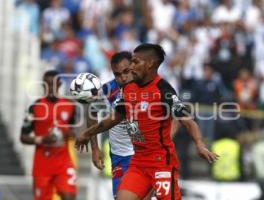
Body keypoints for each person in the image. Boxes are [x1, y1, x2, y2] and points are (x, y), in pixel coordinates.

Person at [76, 43, 219, 200]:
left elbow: (187, 121)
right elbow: (114, 118)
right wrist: (87, 134)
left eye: (136, 62)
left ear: (150, 64)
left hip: (161, 162)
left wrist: (199, 144)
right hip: (138, 162)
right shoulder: (128, 89)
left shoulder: (164, 91)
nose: (132, 67)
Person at [20, 70, 77, 200]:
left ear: (60, 84)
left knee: (69, 197)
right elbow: (23, 137)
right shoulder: (34, 107)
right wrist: (42, 139)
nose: (50, 88)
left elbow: (73, 130)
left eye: (53, 85)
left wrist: (70, 133)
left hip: (63, 162)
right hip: (42, 165)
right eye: (47, 85)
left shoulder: (70, 105)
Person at [87, 51, 135, 199]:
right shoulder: (108, 90)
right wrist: (95, 148)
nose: (123, 77)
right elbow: (91, 112)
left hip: (145, 155)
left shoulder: (147, 86)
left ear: (133, 67)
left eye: (126, 72)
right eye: (118, 74)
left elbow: (176, 114)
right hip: (120, 157)